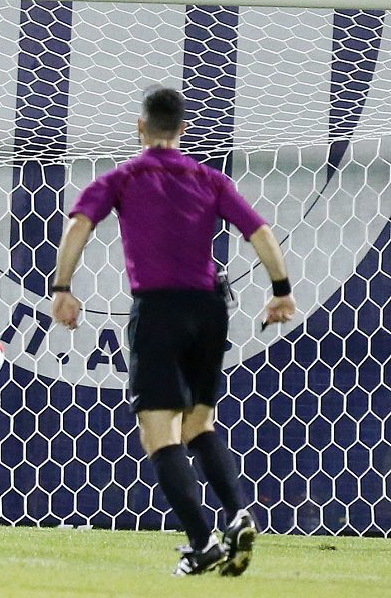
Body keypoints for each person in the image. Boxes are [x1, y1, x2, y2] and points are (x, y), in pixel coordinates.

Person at [52, 86, 297, 576]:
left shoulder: (123, 177)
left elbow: (79, 224)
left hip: (159, 309)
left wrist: (62, 287)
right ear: (183, 129)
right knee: (199, 425)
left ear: (141, 127)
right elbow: (260, 232)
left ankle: (203, 542)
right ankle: (238, 513)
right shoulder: (208, 178)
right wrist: (281, 290)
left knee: (158, 433)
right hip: (209, 308)